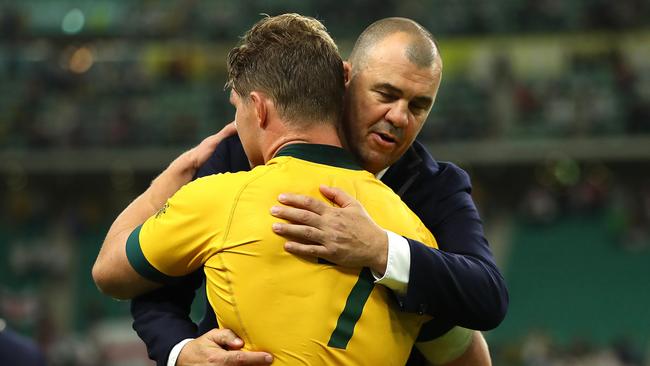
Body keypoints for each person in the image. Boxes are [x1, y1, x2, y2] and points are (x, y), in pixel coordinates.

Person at [93, 13, 479, 365]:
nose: (398, 116)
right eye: (386, 94)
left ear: (258, 109)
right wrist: (182, 353)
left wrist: (380, 249)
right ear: (345, 80)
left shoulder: (225, 195)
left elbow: (109, 270)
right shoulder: (411, 227)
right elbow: (463, 349)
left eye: (418, 105)